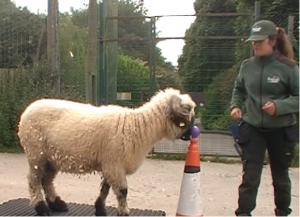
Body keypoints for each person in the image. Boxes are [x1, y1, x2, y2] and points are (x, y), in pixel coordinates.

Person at [229, 19, 300, 217]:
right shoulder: (247, 66)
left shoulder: (288, 67)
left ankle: (282, 212)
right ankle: (243, 213)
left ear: (272, 41)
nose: (255, 44)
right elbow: (239, 89)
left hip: (281, 128)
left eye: (260, 41)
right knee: (250, 176)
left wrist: (279, 106)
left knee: (280, 176)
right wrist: (235, 106)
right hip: (252, 127)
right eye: (253, 41)